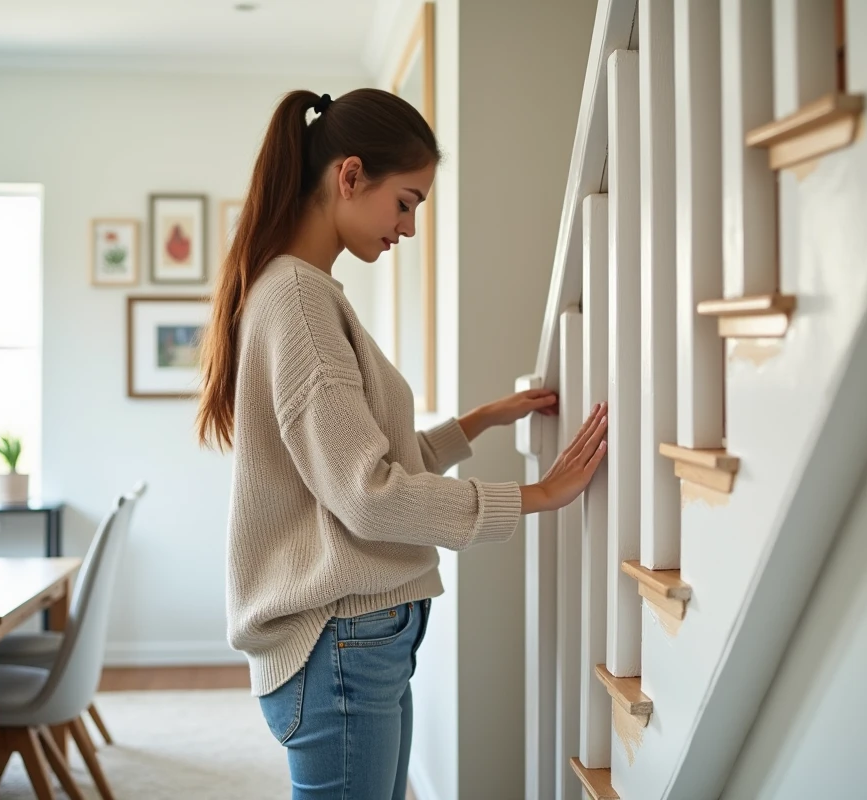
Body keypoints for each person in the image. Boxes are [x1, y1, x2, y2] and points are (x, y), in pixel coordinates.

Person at [196, 88, 608, 799]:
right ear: (349, 175)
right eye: (407, 202)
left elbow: (353, 467)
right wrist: (536, 496)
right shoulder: (298, 300)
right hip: (342, 641)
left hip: (357, 640)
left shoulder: (302, 292)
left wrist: (476, 421)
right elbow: (368, 497)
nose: (409, 228)